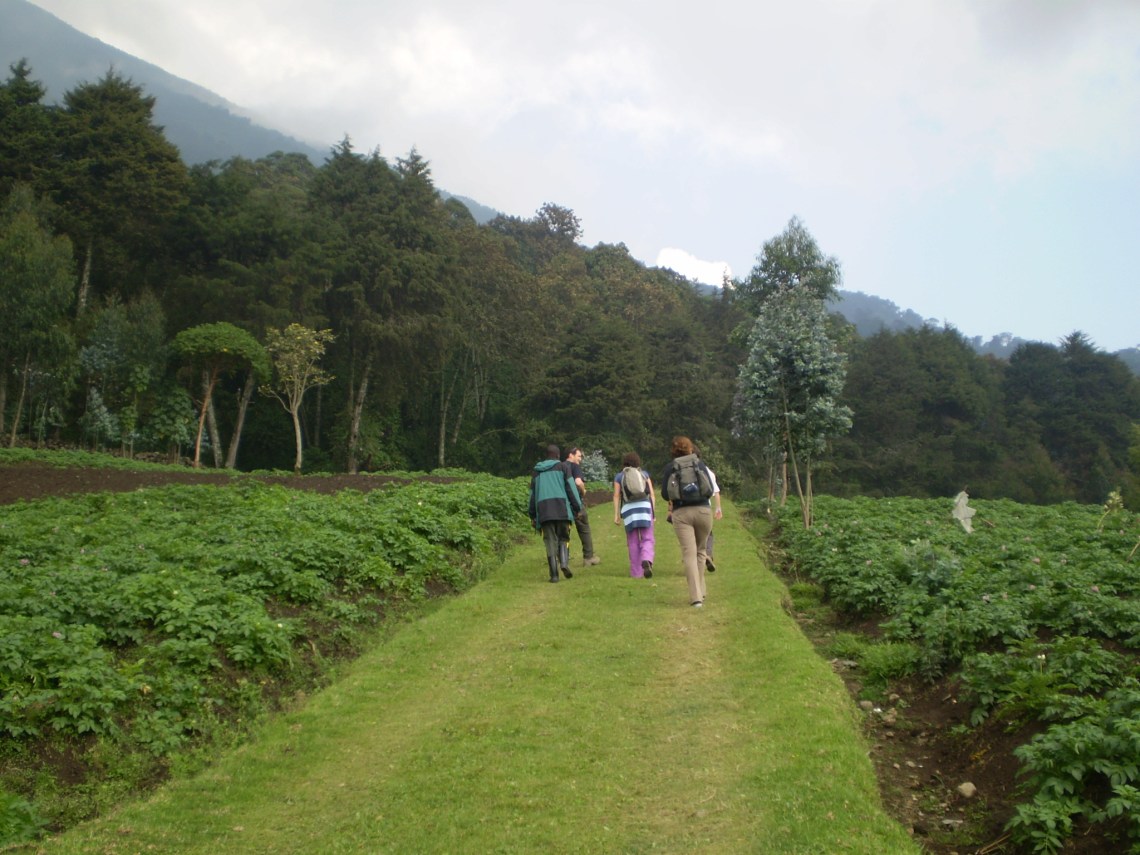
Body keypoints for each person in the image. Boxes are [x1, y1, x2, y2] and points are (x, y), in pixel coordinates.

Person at [660, 435, 715, 607]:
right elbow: (710, 490)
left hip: (681, 513)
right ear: (690, 448)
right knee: (701, 551)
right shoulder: (699, 464)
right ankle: (702, 591)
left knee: (689, 554)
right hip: (703, 511)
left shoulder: (671, 467)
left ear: (673, 451)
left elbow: (664, 494)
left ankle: (696, 598)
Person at [528, 444, 583, 582]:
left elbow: (532, 496)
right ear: (558, 456)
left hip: (544, 510)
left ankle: (554, 575)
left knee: (550, 541)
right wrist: (577, 507)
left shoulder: (537, 472)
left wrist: (532, 515)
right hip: (561, 508)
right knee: (563, 538)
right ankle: (564, 563)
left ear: (546, 455)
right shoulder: (563, 467)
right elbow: (571, 488)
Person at [612, 452, 656, 579]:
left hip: (629, 510)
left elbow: (616, 495)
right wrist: (653, 513)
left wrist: (616, 515)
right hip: (644, 508)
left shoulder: (619, 477)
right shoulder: (644, 474)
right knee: (647, 538)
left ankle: (636, 573)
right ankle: (646, 559)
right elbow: (651, 494)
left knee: (632, 541)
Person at [564, 446, 600, 566]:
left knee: (564, 532)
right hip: (576, 503)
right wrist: (583, 491)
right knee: (584, 529)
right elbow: (578, 482)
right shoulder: (575, 467)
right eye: (579, 456)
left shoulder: (560, 467)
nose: (580, 459)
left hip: (562, 504)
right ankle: (588, 558)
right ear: (571, 455)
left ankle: (563, 558)